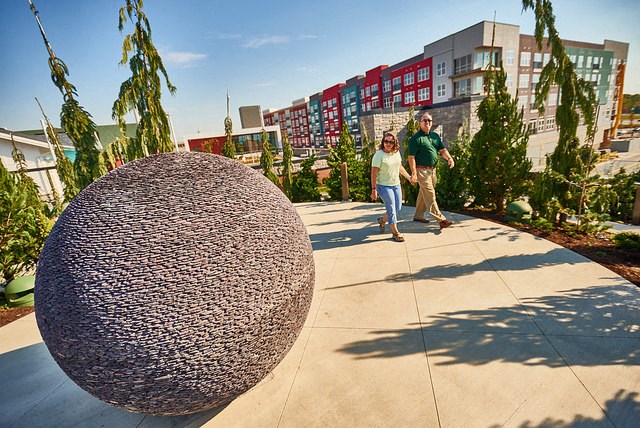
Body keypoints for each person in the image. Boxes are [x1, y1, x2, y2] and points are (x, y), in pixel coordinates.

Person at [408, 112, 454, 229]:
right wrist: (413, 173)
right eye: (425, 120)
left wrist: (449, 158)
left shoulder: (435, 136)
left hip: (432, 170)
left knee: (423, 193)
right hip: (421, 170)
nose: (427, 122)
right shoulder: (416, 138)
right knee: (430, 194)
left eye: (429, 120)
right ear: (420, 123)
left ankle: (418, 215)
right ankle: (441, 219)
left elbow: (442, 150)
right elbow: (411, 157)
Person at [371, 131, 411, 242]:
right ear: (383, 142)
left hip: (396, 184)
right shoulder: (379, 155)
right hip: (383, 186)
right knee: (392, 209)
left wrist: (409, 177)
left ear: (394, 143)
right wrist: (374, 189)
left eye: (391, 142)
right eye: (386, 141)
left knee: (398, 207)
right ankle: (395, 233)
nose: (388, 144)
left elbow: (400, 167)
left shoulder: (396, 153)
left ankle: (382, 220)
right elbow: (373, 173)